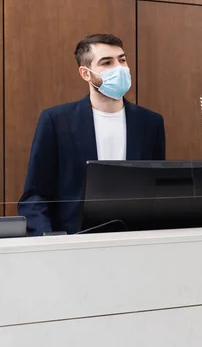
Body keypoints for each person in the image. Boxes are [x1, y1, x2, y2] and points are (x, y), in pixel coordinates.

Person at [18, 34, 166, 236]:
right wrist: (49, 241)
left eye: (122, 60)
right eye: (107, 62)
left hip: (135, 243)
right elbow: (35, 196)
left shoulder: (150, 123)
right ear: (85, 73)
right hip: (74, 246)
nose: (120, 68)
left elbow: (157, 193)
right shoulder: (56, 120)